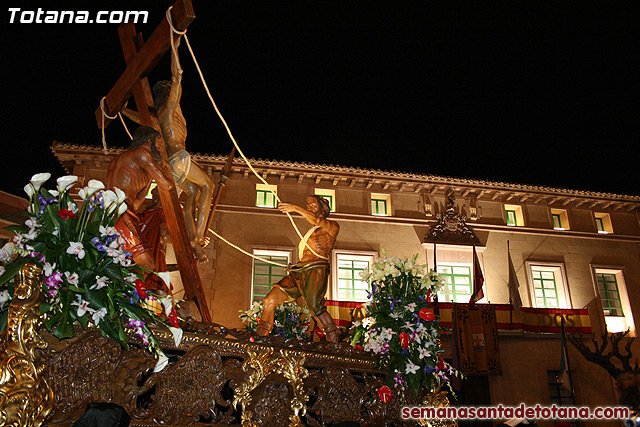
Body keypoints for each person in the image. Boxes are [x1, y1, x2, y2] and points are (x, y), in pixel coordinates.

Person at [122, 35, 213, 263]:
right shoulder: (170, 107)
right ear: (168, 91)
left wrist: (123, 110)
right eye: (172, 90)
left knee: (191, 192)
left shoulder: (156, 118)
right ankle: (198, 237)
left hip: (168, 165)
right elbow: (178, 75)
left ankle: (193, 237)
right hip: (178, 157)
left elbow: (138, 117)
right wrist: (175, 45)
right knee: (208, 186)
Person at [256, 195, 340, 342]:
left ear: (323, 207)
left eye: (312, 204)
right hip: (299, 272)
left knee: (315, 306)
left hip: (316, 270)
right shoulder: (312, 231)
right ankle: (260, 339)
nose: (309, 207)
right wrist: (295, 266)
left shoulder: (332, 226)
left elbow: (317, 221)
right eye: (307, 205)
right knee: (269, 300)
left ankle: (334, 342)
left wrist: (295, 208)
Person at [106, 126, 173, 273]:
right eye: (159, 142)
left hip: (106, 211)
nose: (161, 146)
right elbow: (166, 184)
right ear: (151, 140)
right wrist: (164, 164)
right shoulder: (142, 153)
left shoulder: (120, 158)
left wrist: (149, 177)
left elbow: (138, 201)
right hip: (120, 211)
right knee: (147, 263)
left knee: (116, 260)